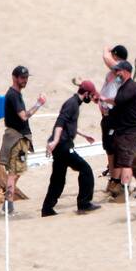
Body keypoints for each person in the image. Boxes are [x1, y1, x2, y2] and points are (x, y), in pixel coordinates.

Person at [42, 80, 101, 217]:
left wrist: (84, 135)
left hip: (61, 146)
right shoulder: (72, 104)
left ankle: (47, 209)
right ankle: (84, 203)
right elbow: (60, 123)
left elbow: (70, 125)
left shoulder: (74, 103)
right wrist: (55, 141)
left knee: (58, 179)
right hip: (63, 146)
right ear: (86, 93)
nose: (91, 98)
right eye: (90, 95)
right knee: (85, 169)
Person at [0, 65, 46, 215]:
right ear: (15, 78)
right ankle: (8, 206)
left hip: (18, 138)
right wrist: (39, 103)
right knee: (14, 172)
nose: (25, 80)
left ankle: (8, 202)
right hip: (17, 138)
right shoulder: (13, 95)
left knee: (17, 171)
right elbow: (24, 116)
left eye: (26, 78)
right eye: (22, 78)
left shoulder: (16, 94)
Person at [105, 60, 136, 202]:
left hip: (130, 132)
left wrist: (104, 98)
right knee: (121, 162)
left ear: (126, 71)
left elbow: (118, 101)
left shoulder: (131, 87)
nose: (116, 74)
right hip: (122, 131)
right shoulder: (123, 86)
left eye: (118, 71)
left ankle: (129, 195)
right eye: (115, 71)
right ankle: (122, 190)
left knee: (126, 164)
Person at [98, 44, 128, 181]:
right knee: (109, 148)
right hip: (107, 115)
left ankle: (115, 179)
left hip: (113, 114)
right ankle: (113, 176)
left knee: (112, 148)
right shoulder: (115, 72)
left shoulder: (121, 69)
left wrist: (106, 49)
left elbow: (106, 58)